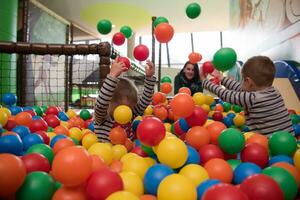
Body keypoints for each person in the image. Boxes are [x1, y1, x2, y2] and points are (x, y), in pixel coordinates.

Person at [200, 56, 294, 136]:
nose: (241, 83)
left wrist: (205, 82)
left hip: (271, 144)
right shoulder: (274, 91)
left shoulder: (252, 98)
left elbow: (226, 95)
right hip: (289, 139)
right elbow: (240, 89)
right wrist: (221, 78)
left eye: (243, 80)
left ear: (248, 81)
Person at [94, 59, 156, 142]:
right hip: (104, 152)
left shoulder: (131, 115)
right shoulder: (102, 118)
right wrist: (112, 76)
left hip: (128, 153)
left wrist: (149, 77)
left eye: (130, 107)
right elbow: (101, 103)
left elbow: (144, 101)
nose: (127, 111)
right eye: (121, 107)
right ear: (109, 103)